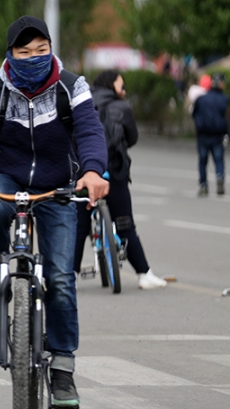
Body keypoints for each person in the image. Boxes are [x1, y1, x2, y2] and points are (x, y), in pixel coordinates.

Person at [0, 16, 110, 409]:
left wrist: (93, 171)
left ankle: (63, 369)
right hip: (8, 175)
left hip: (58, 184)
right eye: (24, 52)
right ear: (10, 54)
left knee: (62, 279)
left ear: (50, 48)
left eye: (41, 50)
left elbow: (88, 131)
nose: (34, 58)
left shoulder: (72, 85)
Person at [74, 70, 167, 290]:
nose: (124, 91)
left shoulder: (80, 102)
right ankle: (144, 274)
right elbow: (132, 137)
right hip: (114, 172)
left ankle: (70, 275)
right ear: (112, 87)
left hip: (84, 173)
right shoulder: (122, 107)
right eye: (121, 86)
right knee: (125, 223)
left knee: (79, 226)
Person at [191, 73, 227, 197]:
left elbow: (194, 113)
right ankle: (219, 177)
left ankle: (203, 185)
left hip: (202, 134)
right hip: (218, 134)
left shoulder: (202, 99)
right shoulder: (224, 100)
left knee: (202, 160)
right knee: (218, 159)